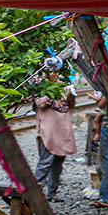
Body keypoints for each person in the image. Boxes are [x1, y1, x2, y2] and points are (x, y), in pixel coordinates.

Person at [32, 69, 77, 200]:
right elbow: (39, 103)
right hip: (48, 131)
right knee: (45, 163)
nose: (56, 75)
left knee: (58, 163)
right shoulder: (40, 87)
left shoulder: (63, 86)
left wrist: (71, 94)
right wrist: (51, 94)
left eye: (57, 72)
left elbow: (71, 105)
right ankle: (35, 193)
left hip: (63, 130)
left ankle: (52, 192)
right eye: (53, 72)